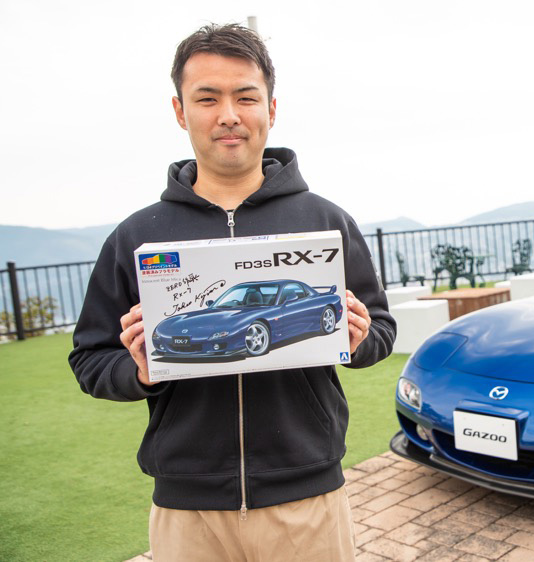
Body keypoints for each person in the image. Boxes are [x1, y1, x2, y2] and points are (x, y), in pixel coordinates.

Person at [68, 23, 396, 561]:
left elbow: (381, 327)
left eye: (246, 97)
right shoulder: (137, 236)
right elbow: (90, 359)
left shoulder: (325, 223)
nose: (228, 115)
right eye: (207, 98)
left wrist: (358, 339)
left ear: (271, 108)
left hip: (307, 499)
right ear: (180, 111)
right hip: (188, 511)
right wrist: (139, 370)